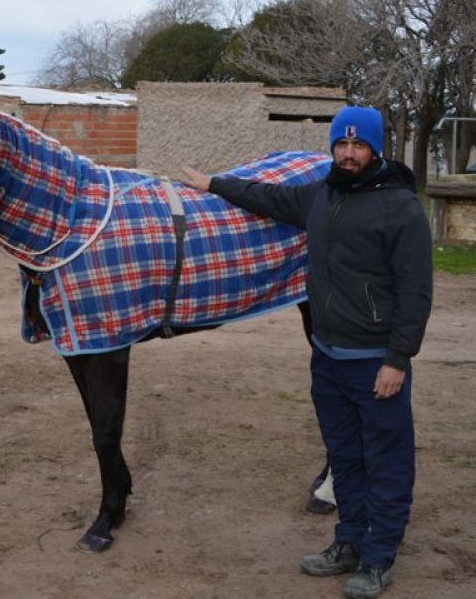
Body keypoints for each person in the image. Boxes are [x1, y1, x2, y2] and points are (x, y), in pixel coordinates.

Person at [180, 105, 432, 599]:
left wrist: (398, 359)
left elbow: (416, 292)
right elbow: (268, 197)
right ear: (333, 148)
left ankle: (378, 559)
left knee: (385, 460)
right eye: (342, 144)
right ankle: (349, 543)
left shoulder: (400, 207)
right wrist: (214, 184)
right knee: (345, 457)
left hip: (375, 361)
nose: (350, 153)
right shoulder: (322, 195)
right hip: (328, 358)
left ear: (375, 149)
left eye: (359, 146)